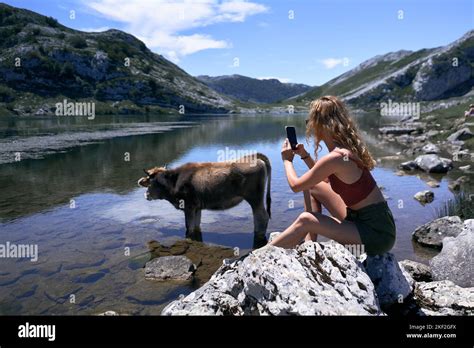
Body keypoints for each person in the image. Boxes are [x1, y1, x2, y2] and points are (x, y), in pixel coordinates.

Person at [269, 96, 396, 256]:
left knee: (306, 219)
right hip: (363, 219)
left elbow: (295, 186)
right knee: (313, 186)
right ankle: (309, 245)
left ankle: (258, 256)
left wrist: (287, 161)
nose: (309, 125)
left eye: (310, 120)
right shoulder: (343, 151)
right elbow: (321, 178)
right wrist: (305, 156)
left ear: (321, 124)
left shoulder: (336, 157)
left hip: (376, 235)